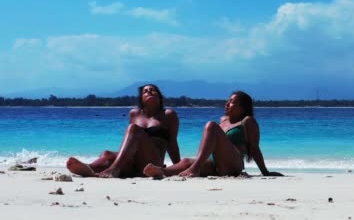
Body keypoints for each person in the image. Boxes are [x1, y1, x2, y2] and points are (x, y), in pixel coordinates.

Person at [143, 90, 282, 178]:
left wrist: (265, 172)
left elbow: (254, 148)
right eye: (228, 101)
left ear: (242, 108)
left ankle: (195, 168)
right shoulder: (223, 120)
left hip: (233, 165)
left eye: (232, 102)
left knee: (210, 126)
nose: (227, 104)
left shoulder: (247, 121)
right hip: (215, 164)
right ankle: (162, 171)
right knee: (185, 161)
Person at [66, 84, 181, 178]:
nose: (149, 92)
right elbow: (130, 141)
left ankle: (114, 169)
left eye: (153, 90)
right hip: (133, 162)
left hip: (152, 162)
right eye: (145, 91)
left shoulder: (169, 115)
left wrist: (178, 166)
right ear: (141, 99)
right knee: (107, 154)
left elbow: (172, 144)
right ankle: (89, 168)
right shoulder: (134, 114)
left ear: (159, 97)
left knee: (133, 128)